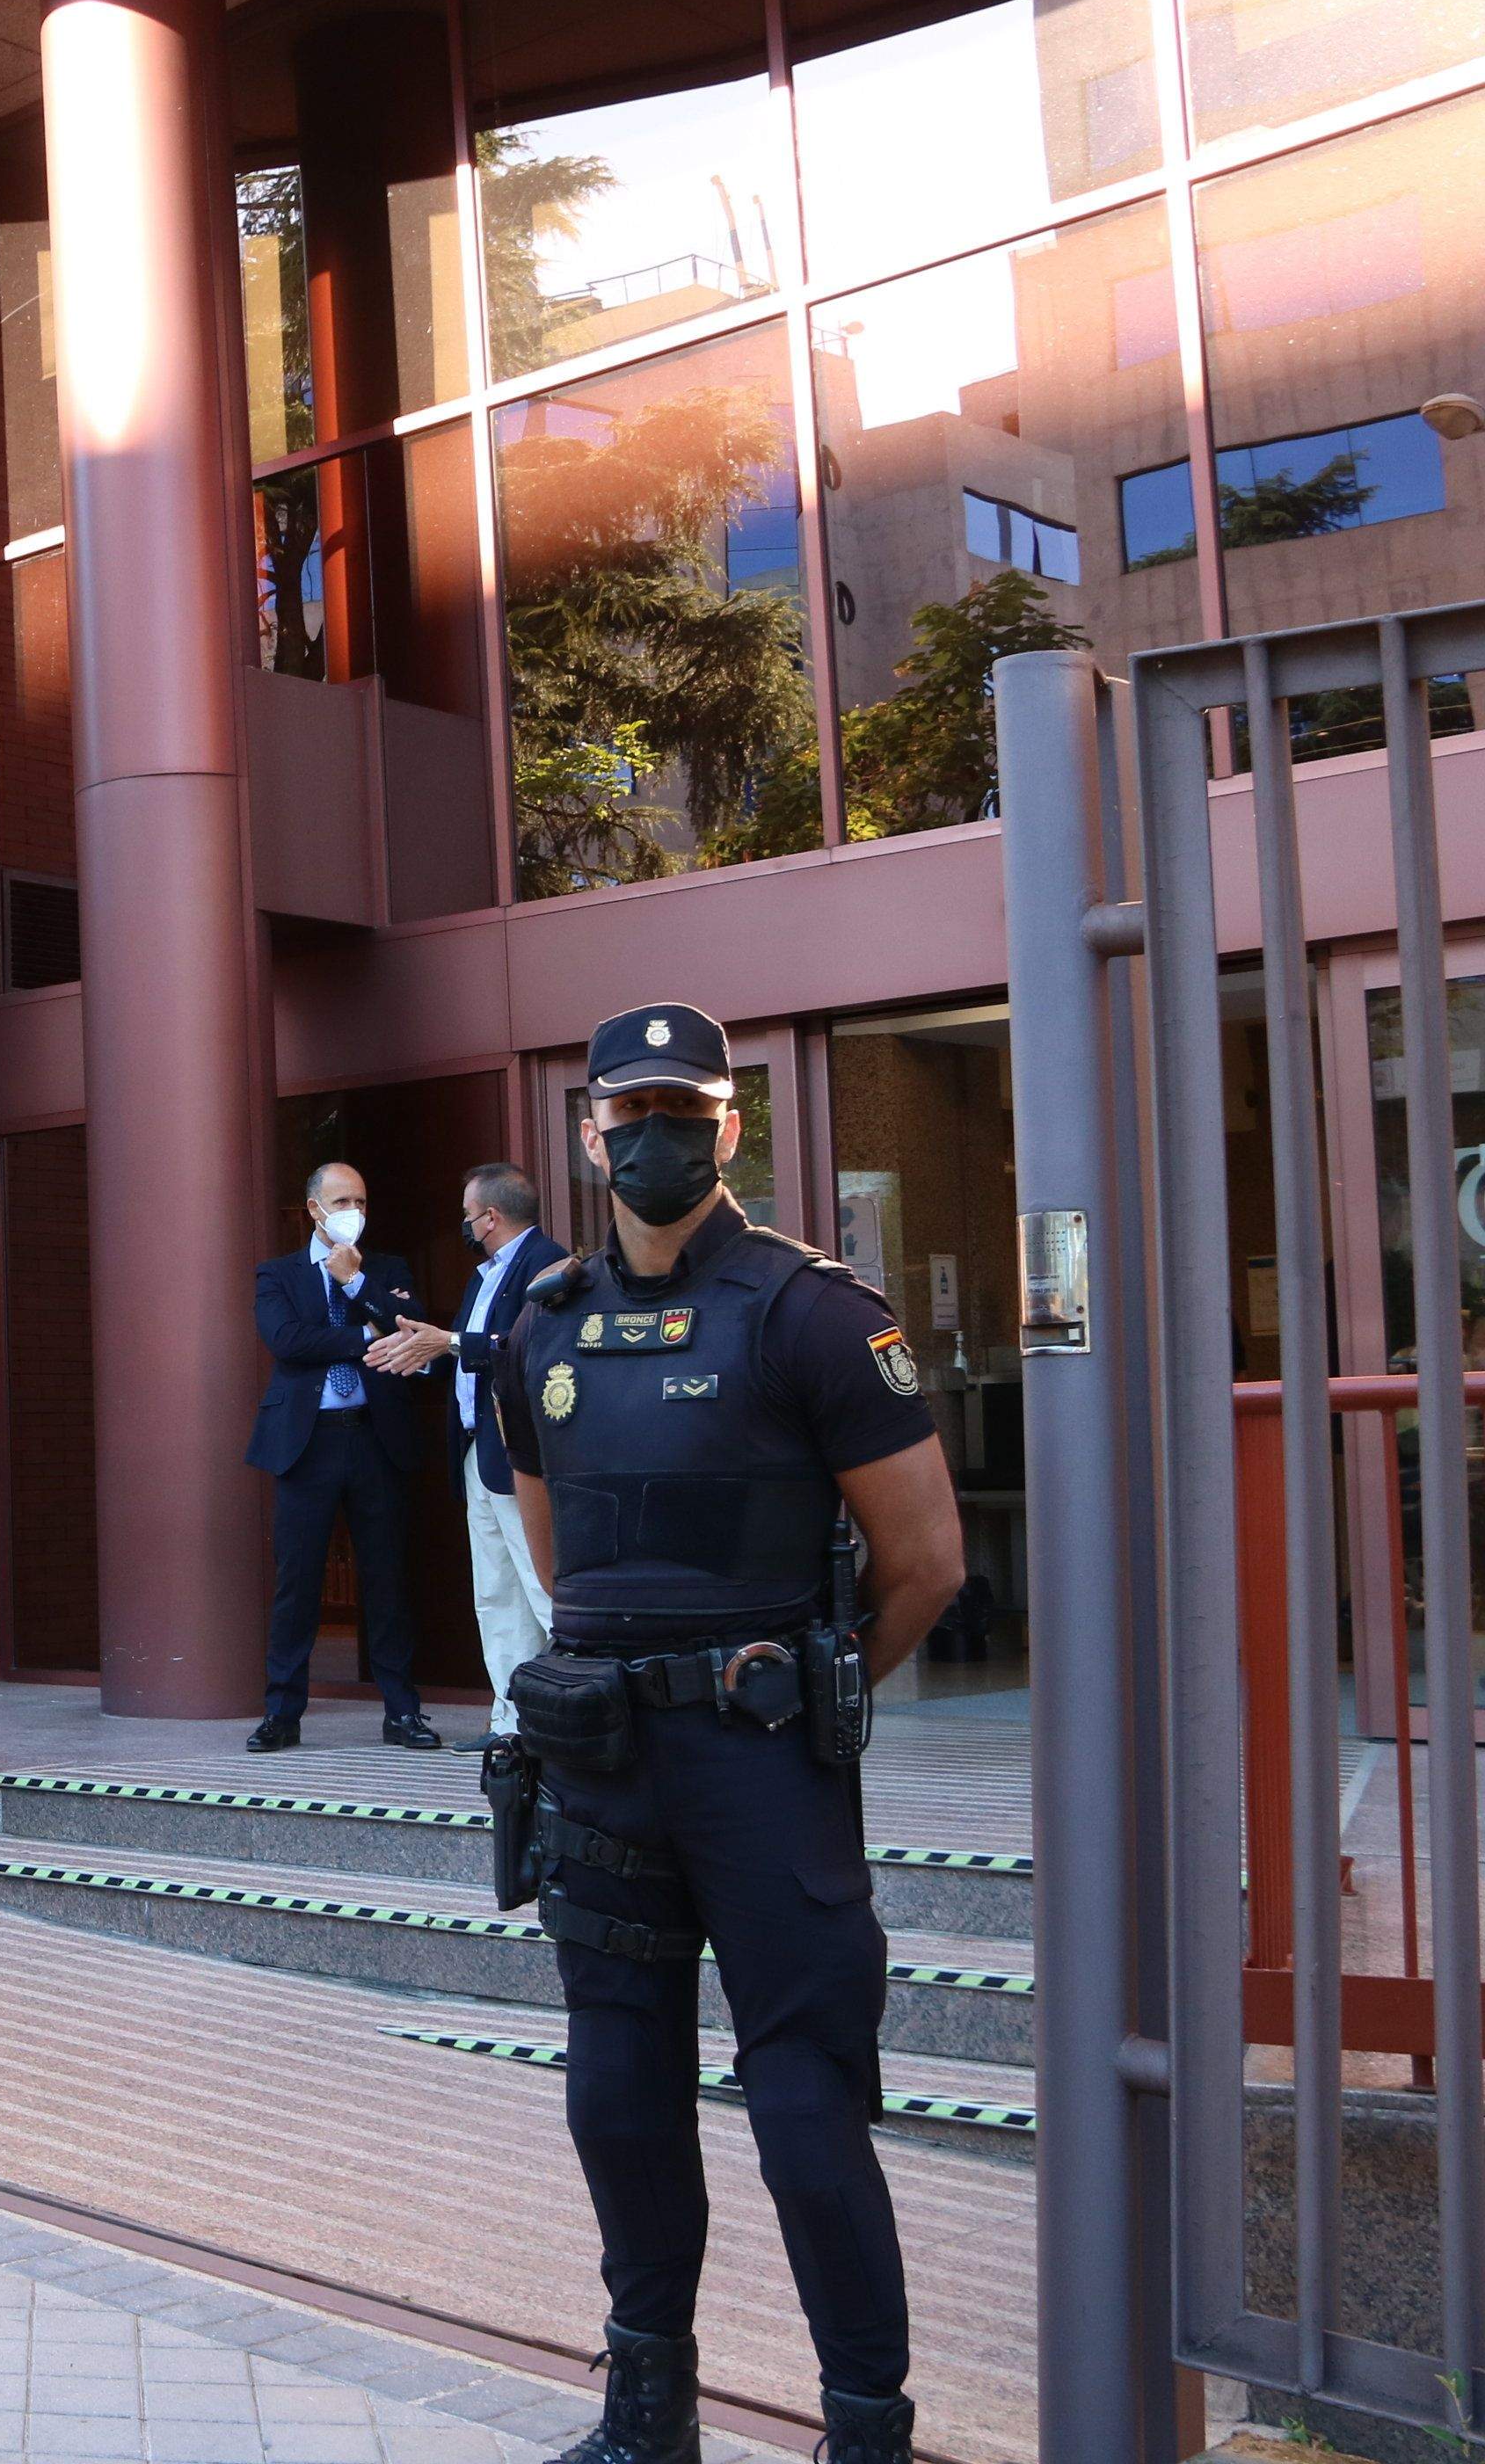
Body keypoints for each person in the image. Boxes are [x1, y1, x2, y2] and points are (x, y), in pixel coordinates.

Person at [488, 1003, 962, 2464]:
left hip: (760, 1768)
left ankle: (865, 2432)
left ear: (731, 1121)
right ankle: (647, 2417)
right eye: (624, 1110)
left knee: (803, 2100)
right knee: (614, 2088)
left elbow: (925, 1558)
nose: (651, 1134)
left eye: (680, 1106)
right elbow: (563, 1563)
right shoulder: (542, 1325)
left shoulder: (814, 1309)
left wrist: (798, 1684)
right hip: (602, 1768)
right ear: (585, 1130)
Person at [245, 1161, 440, 1750]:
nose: (353, 1209)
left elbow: (409, 1327)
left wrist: (357, 1285)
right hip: (308, 1442)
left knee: (386, 1577)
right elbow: (288, 1342)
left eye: (360, 1198)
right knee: (297, 1580)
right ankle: (282, 1712)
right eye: (341, 1200)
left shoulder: (387, 1270)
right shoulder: (277, 1275)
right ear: (314, 1210)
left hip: (374, 1438)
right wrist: (364, 1338)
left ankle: (402, 1711)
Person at [372, 1165, 564, 1746]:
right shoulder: (485, 1276)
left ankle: (574, 1713)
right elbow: (471, 1350)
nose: (464, 1223)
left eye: (467, 1213)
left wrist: (449, 1341)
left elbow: (537, 1349)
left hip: (522, 1458)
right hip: (479, 1452)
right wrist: (424, 1345)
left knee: (542, 1587)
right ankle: (512, 1723)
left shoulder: (547, 1266)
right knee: (497, 1593)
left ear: (490, 1217)